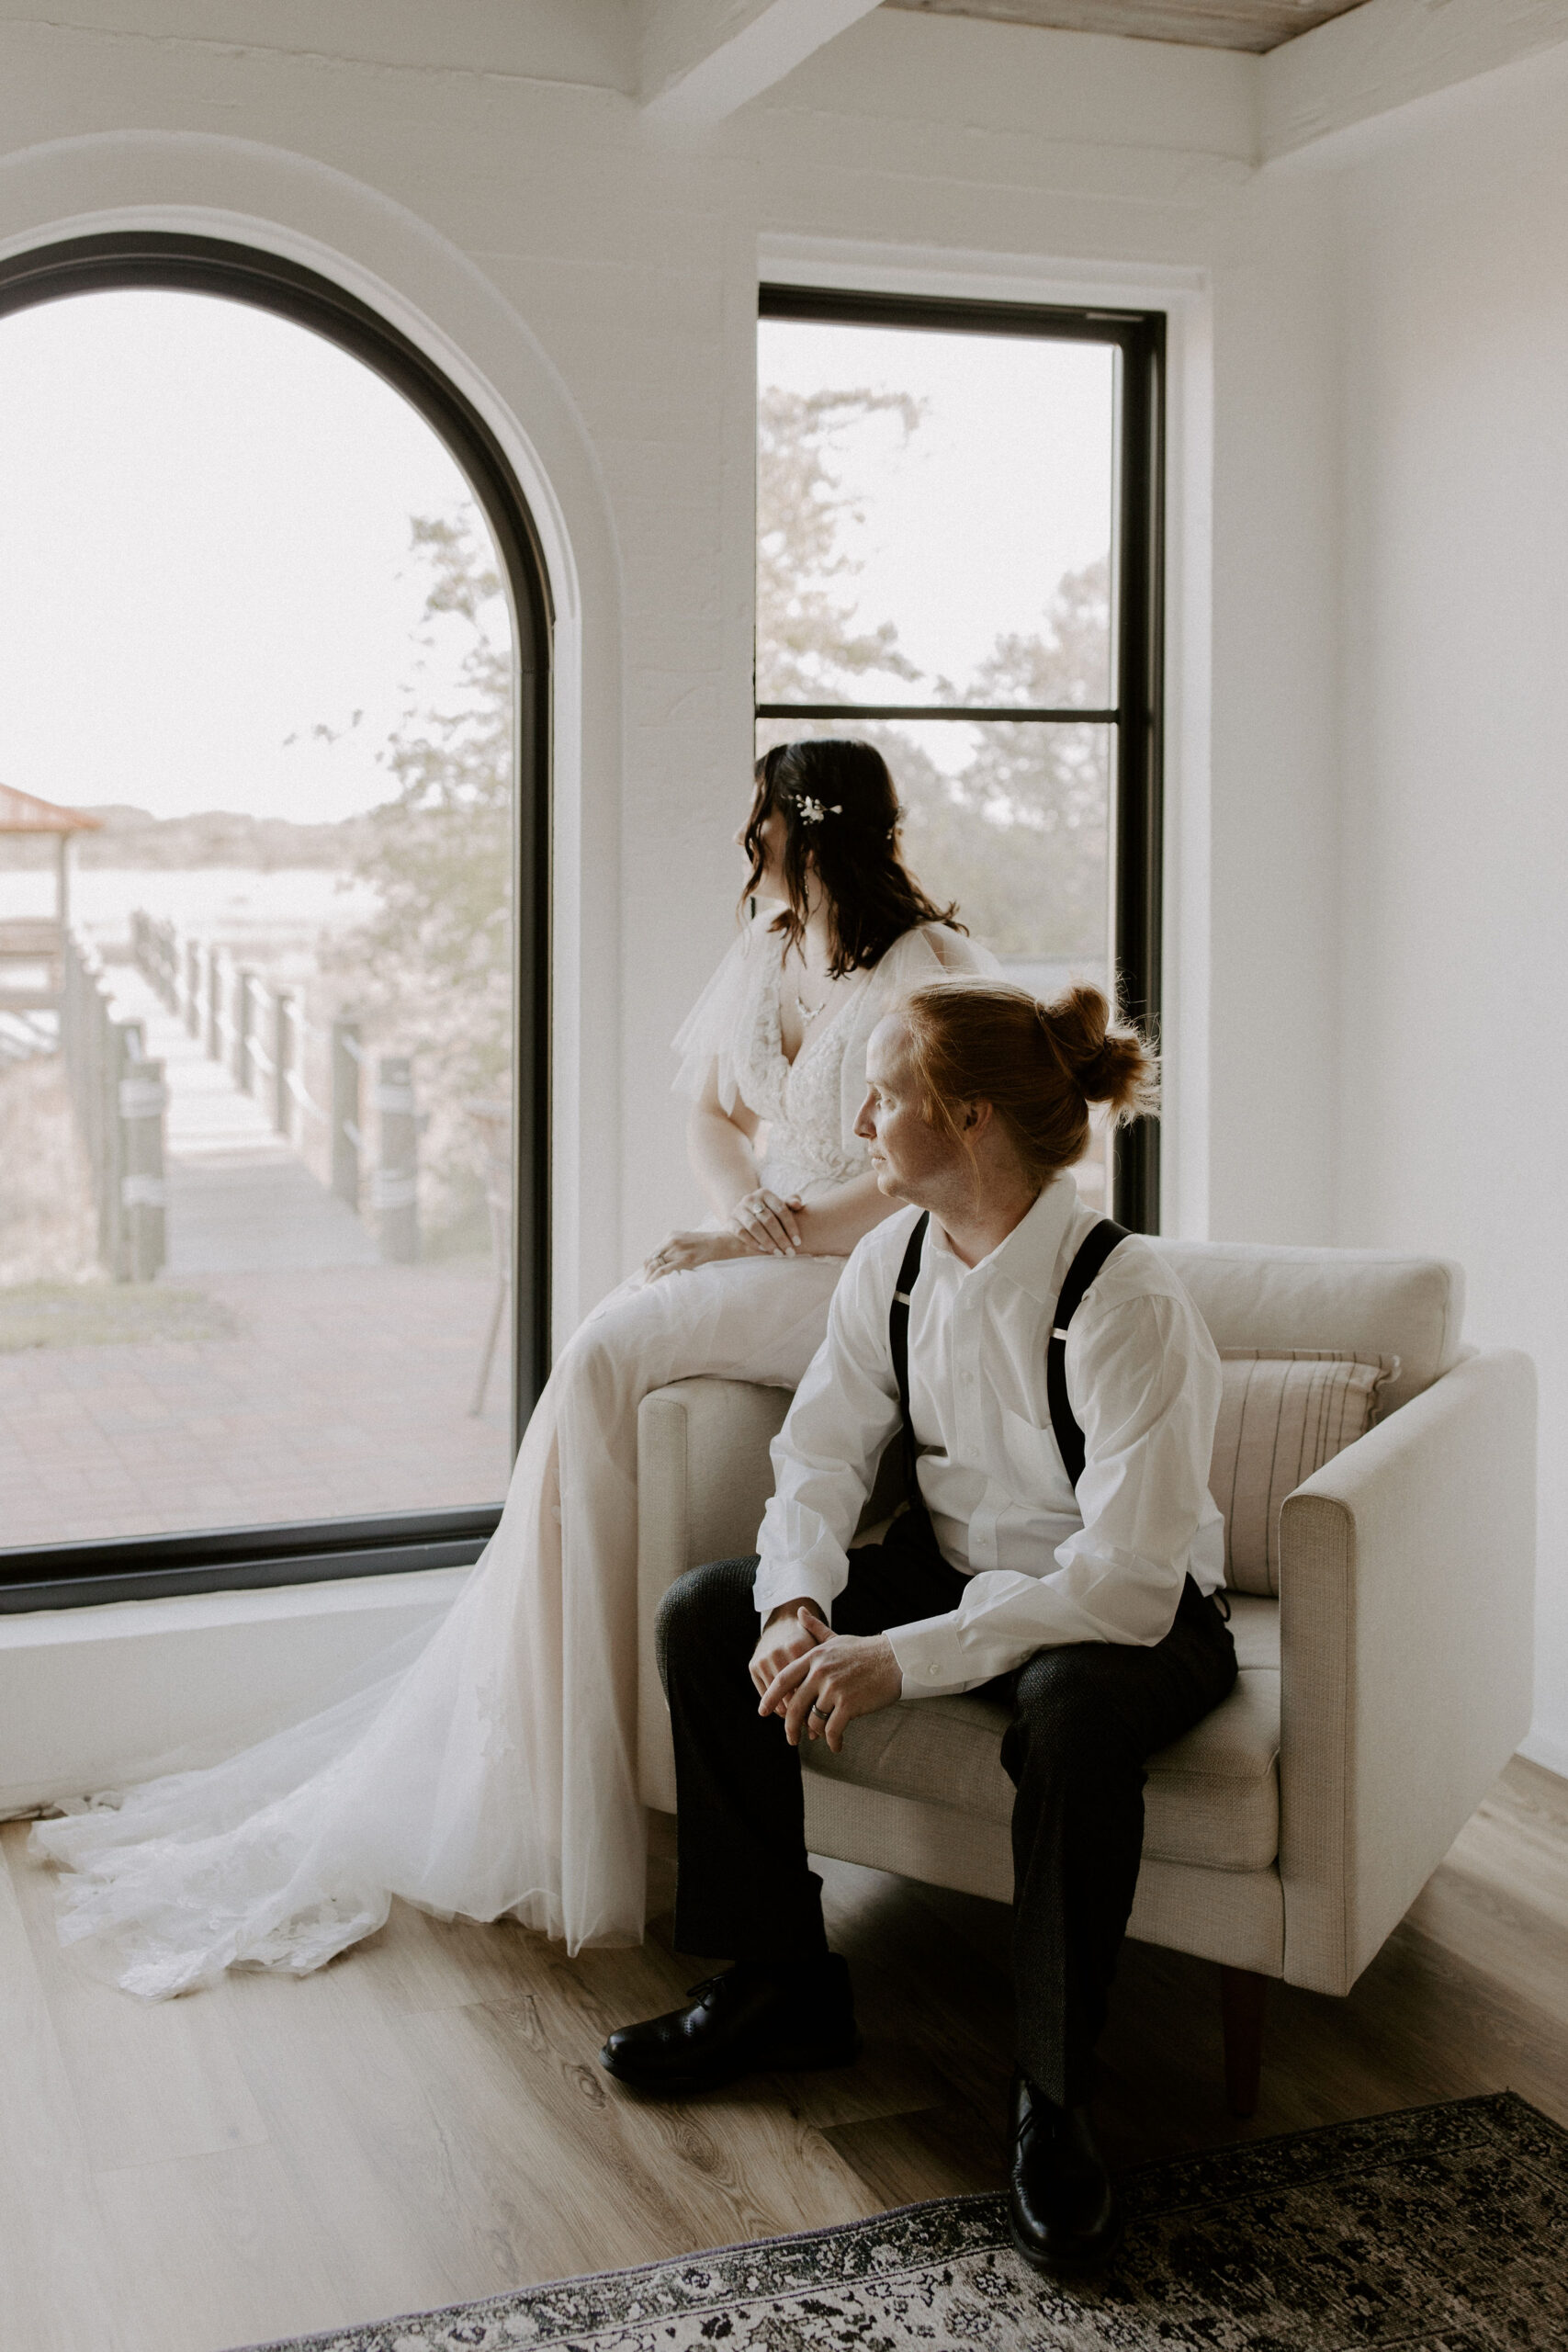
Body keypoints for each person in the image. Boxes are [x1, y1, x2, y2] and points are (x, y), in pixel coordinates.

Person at [31, 740, 995, 1997]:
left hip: (861, 1276)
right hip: (773, 1249)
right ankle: (539, 1736)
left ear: (805, 828)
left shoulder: (925, 971)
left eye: (761, 820)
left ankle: (570, 1774)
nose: (747, 843)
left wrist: (780, 1232)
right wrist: (748, 1203)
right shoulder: (767, 947)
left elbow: (934, 1168)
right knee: (598, 1359)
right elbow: (707, 1107)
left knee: (605, 1346)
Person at [600, 978, 1235, 2276]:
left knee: (1067, 1713)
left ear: (974, 1119)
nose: (867, 1118)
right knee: (703, 1615)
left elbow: (1123, 1579)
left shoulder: (1127, 1299)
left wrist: (904, 1659)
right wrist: (796, 1601)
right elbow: (821, 1455)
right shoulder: (890, 1260)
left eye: (888, 1096)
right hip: (955, 1572)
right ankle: (782, 1983)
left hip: (1130, 1615)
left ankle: (1054, 2103)